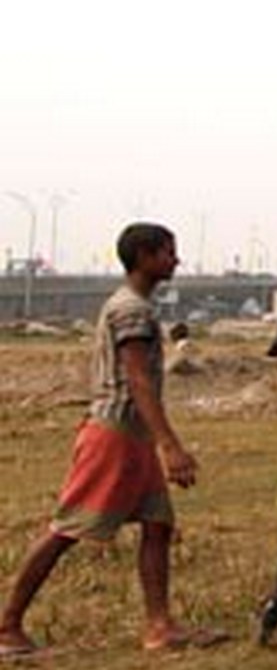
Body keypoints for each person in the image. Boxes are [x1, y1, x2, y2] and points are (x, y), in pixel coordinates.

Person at [0, 222, 228, 656]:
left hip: (131, 436)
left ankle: (160, 627)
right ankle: (7, 626)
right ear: (144, 257)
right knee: (67, 529)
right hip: (116, 436)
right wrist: (170, 445)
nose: (175, 260)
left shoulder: (134, 305)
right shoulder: (132, 312)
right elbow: (138, 381)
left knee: (158, 526)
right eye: (168, 252)